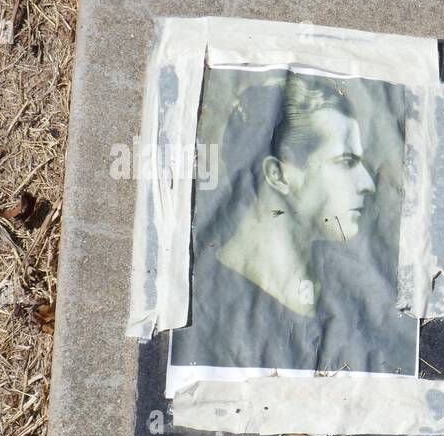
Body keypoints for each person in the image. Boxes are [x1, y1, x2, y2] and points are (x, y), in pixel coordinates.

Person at [170, 69, 413, 374]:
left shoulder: (341, 296)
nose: (368, 183)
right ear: (278, 174)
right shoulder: (204, 302)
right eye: (346, 162)